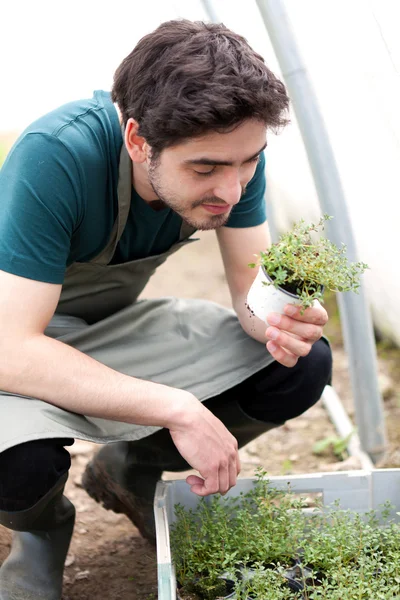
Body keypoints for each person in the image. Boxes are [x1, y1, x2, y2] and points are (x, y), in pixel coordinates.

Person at [0, 19, 332, 600]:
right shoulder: (56, 157)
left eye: (248, 161)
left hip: (109, 329)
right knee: (16, 463)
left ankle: (130, 468)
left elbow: (246, 287)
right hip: (17, 339)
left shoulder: (232, 155)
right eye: (204, 170)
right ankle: (39, 535)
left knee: (299, 367)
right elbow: (11, 349)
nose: (231, 189)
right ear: (137, 141)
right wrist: (176, 407)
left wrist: (278, 322)